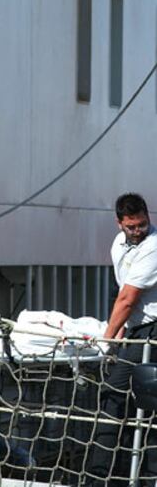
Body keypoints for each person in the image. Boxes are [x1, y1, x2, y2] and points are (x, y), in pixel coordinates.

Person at [85, 193, 157, 486]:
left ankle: (104, 474)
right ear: (119, 224)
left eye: (143, 224)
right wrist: (122, 331)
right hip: (137, 330)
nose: (138, 231)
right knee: (127, 398)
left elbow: (127, 298)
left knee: (124, 394)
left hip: (153, 332)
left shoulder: (153, 246)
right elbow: (126, 295)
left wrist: (106, 340)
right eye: (132, 227)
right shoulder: (119, 244)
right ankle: (118, 471)